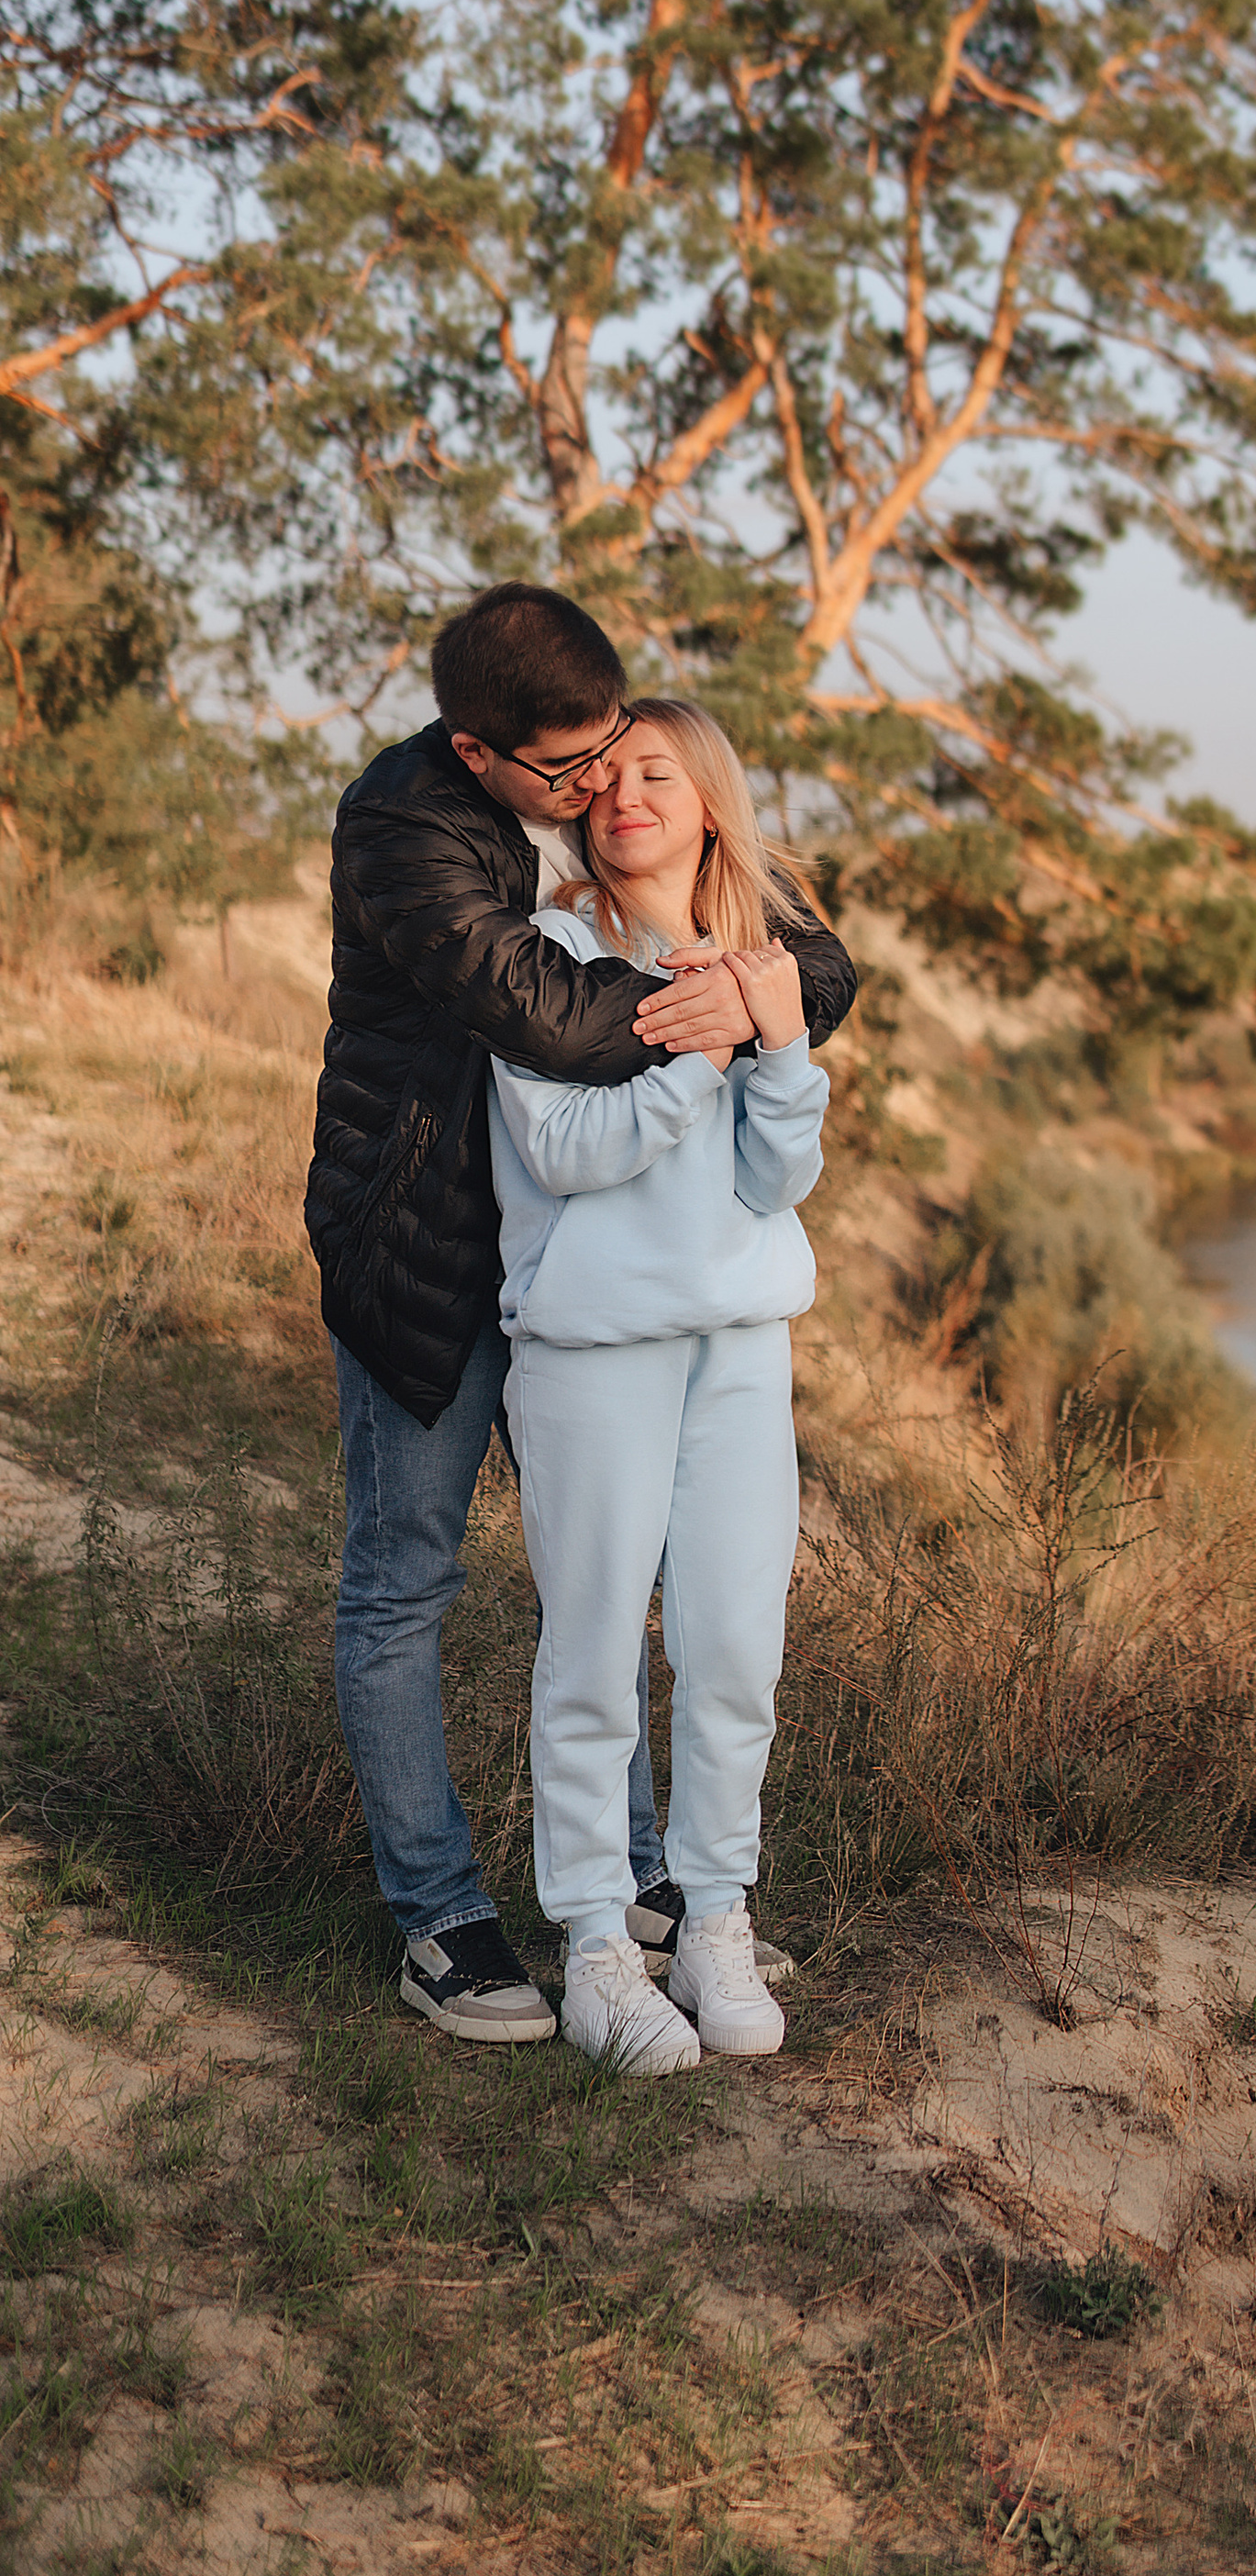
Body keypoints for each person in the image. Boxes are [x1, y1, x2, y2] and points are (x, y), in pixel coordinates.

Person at [306, 585, 857, 2043]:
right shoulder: (414, 834)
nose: (599, 785)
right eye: (571, 771)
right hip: (431, 1238)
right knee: (415, 1575)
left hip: (662, 1297)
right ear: (480, 752)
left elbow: (815, 960)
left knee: (663, 1622)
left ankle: (676, 1904)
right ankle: (452, 1921)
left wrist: (770, 991)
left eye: (621, 753)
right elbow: (550, 1029)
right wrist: (720, 1012)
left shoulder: (600, 791)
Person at [490, 700, 827, 2073]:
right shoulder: (547, 952)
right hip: (593, 1348)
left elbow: (777, 1179)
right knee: (592, 1656)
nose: (625, 792)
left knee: (737, 1646)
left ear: (707, 804)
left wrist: (781, 1041)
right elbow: (564, 1150)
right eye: (608, 775)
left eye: (657, 773)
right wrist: (693, 1051)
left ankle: (715, 1918)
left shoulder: (758, 961)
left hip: (744, 1341)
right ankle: (592, 1946)